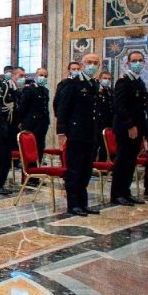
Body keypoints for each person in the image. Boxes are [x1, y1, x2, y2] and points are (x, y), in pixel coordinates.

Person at [54, 54, 102, 216]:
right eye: (89, 62)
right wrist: (61, 132)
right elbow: (63, 109)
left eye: (95, 63)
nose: (92, 65)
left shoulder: (94, 84)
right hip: (75, 134)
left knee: (86, 170)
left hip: (90, 134)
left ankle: (83, 202)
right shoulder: (72, 83)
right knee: (74, 170)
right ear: (82, 64)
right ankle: (73, 203)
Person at [111, 51, 148, 205]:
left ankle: (126, 192)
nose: (137, 63)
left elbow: (141, 110)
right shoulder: (123, 82)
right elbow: (119, 106)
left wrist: (143, 132)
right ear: (128, 63)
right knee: (122, 161)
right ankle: (117, 194)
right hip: (125, 128)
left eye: (140, 60)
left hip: (137, 128)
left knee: (131, 161)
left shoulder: (140, 82)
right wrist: (130, 125)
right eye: (134, 60)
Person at [0, 65, 19, 194]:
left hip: (9, 128)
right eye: (20, 76)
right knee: (1, 158)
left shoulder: (14, 89)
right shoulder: (2, 87)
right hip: (1, 129)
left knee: (6, 158)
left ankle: (0, 183)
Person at [17, 67, 51, 163]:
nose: (43, 77)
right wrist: (21, 121)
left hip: (43, 124)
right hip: (31, 124)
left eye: (45, 76)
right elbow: (22, 107)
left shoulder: (45, 91)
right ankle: (29, 175)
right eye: (41, 75)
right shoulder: (29, 89)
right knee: (29, 150)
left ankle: (37, 174)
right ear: (36, 76)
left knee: (40, 148)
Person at [96, 71, 114, 161]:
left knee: (104, 146)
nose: (107, 80)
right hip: (96, 123)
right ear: (99, 79)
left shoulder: (111, 92)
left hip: (107, 123)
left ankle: (102, 167)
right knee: (94, 145)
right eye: (105, 78)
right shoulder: (95, 90)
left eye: (109, 79)